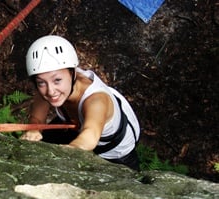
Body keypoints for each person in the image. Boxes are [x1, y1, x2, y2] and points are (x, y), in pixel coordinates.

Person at [20, 35, 140, 171]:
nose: (51, 91)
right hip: (73, 126)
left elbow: (90, 134)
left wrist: (72, 150)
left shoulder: (96, 101)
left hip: (114, 150)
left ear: (73, 73)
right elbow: (37, 118)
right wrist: (34, 129)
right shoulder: (49, 87)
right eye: (41, 82)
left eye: (57, 80)